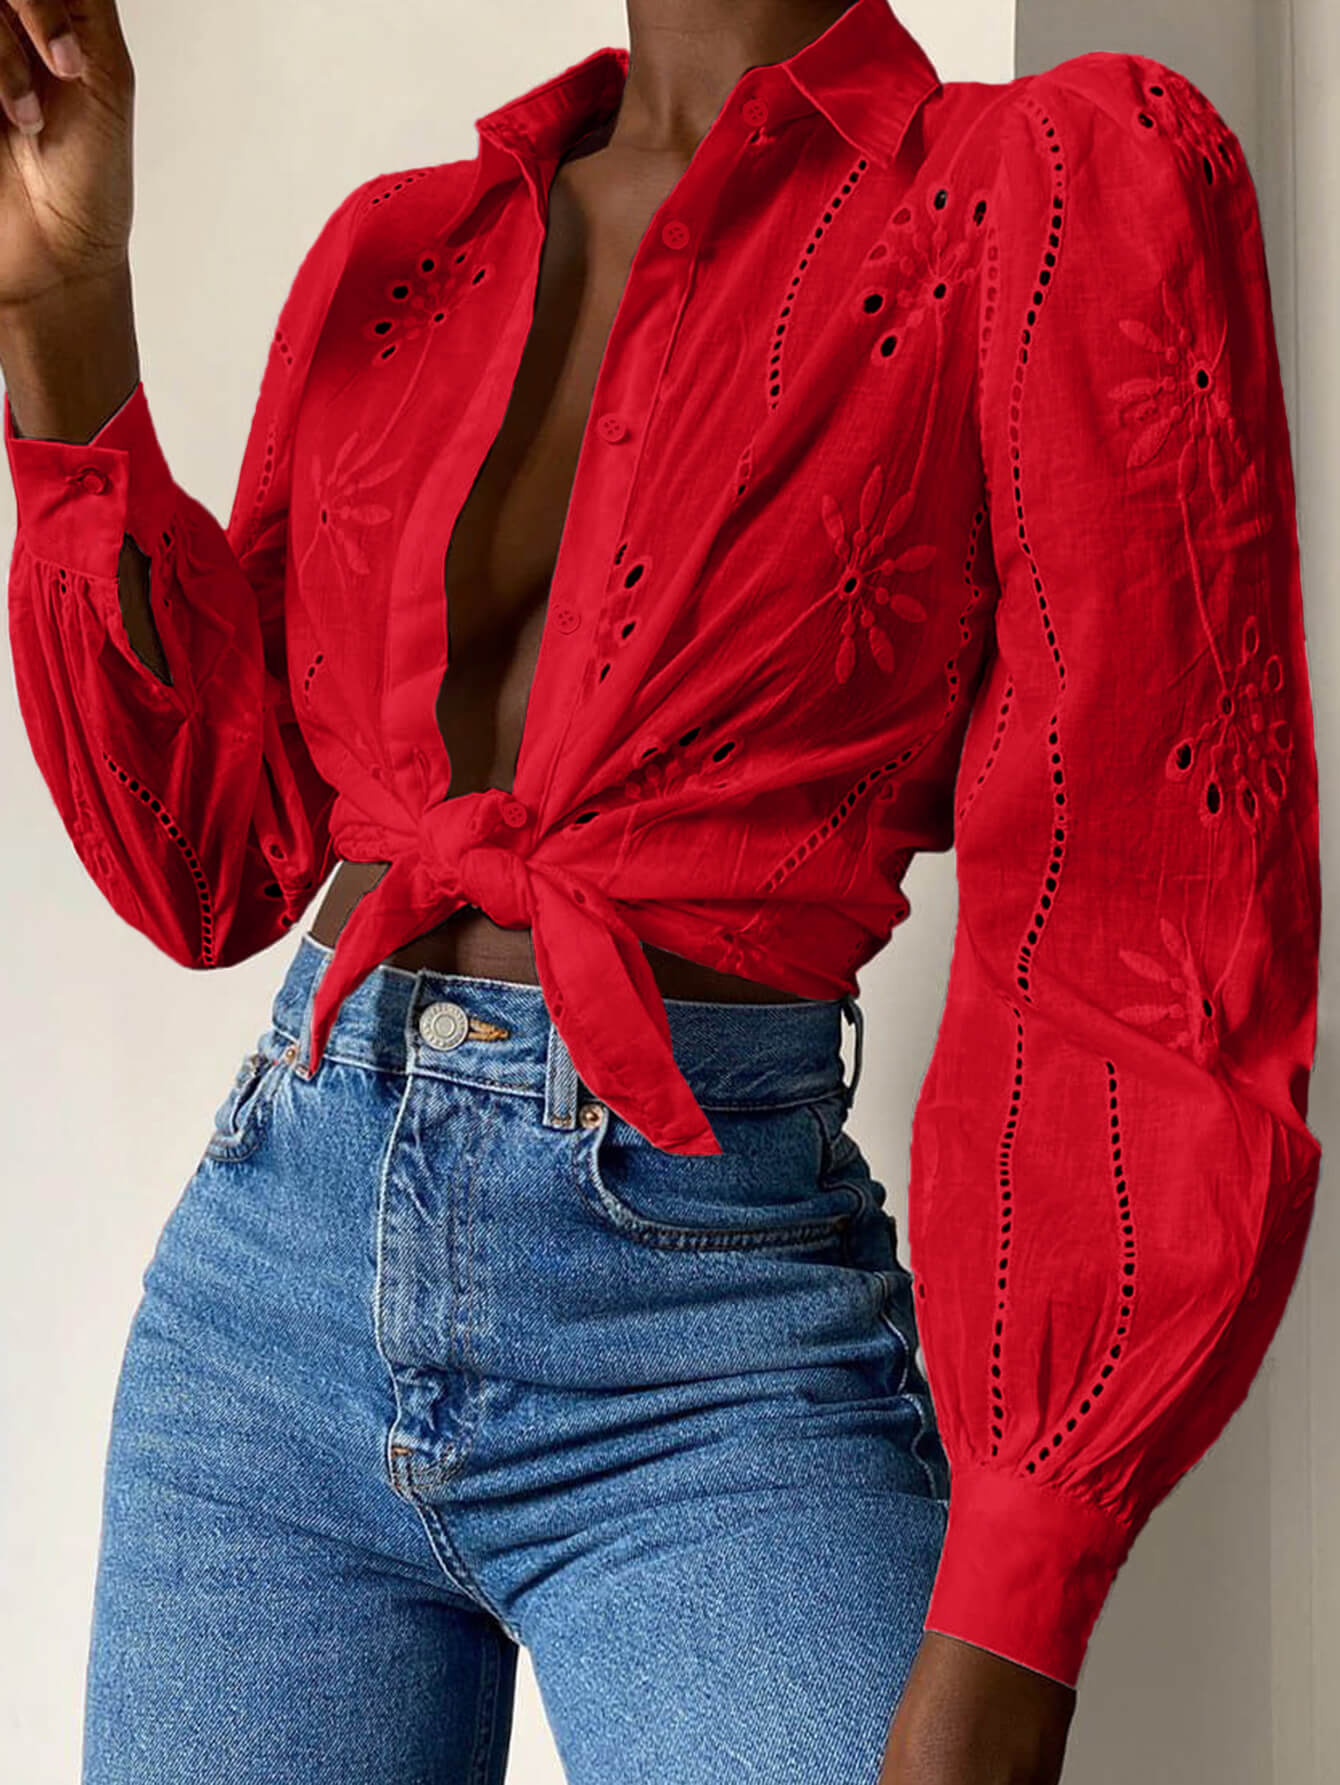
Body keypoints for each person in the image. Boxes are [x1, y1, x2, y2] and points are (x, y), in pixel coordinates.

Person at [0, 0, 1321, 1781]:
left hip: (712, 1343)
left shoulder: (1037, 191)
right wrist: (63, 311)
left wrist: (1020, 1607)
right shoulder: (404, 248)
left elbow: (1144, 916)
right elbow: (212, 862)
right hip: (267, 1304)